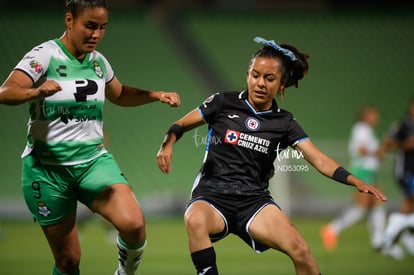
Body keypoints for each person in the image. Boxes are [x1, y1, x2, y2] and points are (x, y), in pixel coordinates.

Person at [156, 36, 387, 275]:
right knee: (195, 219)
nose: (260, 83)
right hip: (212, 195)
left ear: (282, 84)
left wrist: (354, 180)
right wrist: (167, 143)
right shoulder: (223, 102)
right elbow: (180, 124)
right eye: (255, 75)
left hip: (253, 201)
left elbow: (318, 159)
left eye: (269, 78)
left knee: (302, 251)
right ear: (247, 75)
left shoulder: (284, 122)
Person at [0, 1, 181, 275]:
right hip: (47, 171)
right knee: (68, 261)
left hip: (93, 163)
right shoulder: (45, 55)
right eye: (90, 26)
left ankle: (125, 272)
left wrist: (155, 95)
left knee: (134, 225)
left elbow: (118, 94)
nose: (96, 34)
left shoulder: (98, 61)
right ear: (69, 20)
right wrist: (34, 92)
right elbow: (6, 91)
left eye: (102, 28)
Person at [321, 104, 386, 251]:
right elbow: (362, 150)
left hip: (369, 171)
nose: (376, 117)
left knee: (376, 204)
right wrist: (378, 153)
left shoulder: (368, 130)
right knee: (364, 207)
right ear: (365, 115)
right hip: (362, 171)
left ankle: (378, 240)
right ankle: (332, 229)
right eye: (373, 114)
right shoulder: (361, 129)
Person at [380, 98, 414, 259]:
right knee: (409, 205)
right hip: (406, 172)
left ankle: (402, 237)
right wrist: (406, 144)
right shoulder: (404, 125)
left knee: (408, 207)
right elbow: (389, 141)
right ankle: (394, 238)